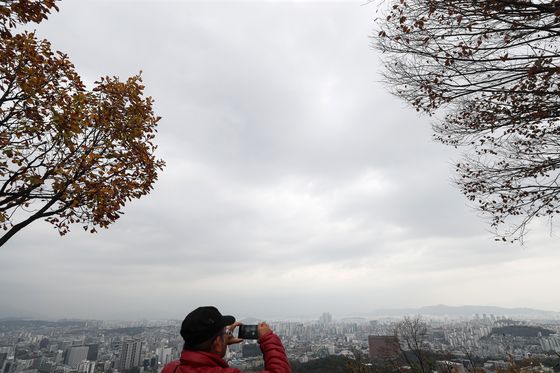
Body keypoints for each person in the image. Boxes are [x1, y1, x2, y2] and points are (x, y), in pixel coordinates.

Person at [162, 306, 291, 373]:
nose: (227, 334)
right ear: (217, 343)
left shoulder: (171, 368)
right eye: (224, 332)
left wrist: (220, 343)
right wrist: (268, 338)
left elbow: (199, 363)